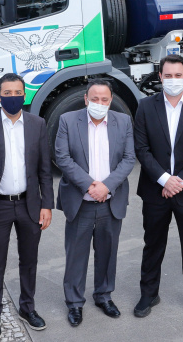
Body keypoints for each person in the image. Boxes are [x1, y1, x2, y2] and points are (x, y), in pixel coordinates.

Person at [0, 74, 53, 341]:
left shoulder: (37, 124)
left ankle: (27, 308)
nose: (13, 97)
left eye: (18, 92)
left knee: (29, 260)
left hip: (30, 204)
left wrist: (47, 205)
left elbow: (44, 169)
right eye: (7, 93)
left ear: (24, 95)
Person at [133, 54, 183, 319]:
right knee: (152, 244)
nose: (173, 80)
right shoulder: (146, 106)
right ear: (160, 77)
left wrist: (179, 181)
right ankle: (148, 294)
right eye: (167, 75)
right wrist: (164, 179)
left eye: (178, 75)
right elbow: (142, 149)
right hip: (155, 190)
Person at [55, 79, 135, 327]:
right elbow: (62, 157)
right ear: (86, 99)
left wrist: (106, 186)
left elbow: (129, 159)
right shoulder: (68, 120)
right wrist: (91, 186)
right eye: (95, 99)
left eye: (104, 99)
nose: (99, 103)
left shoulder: (123, 121)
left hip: (110, 201)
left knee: (108, 253)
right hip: (80, 201)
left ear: (110, 101)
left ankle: (104, 295)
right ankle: (74, 302)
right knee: (76, 254)